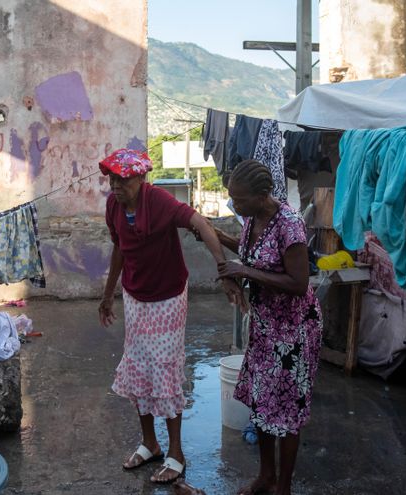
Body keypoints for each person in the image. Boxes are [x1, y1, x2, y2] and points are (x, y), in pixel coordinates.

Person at [97, 148, 243, 484]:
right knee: (138, 365)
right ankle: (150, 443)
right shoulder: (113, 206)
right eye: (111, 179)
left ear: (140, 178)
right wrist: (108, 295)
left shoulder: (159, 201)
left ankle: (176, 451)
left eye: (123, 179)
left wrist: (224, 271)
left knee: (165, 367)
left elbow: (202, 224)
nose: (116, 186)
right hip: (136, 295)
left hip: (168, 296)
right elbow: (119, 247)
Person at [214, 160, 323, 495]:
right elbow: (254, 254)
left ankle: (283, 486)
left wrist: (245, 273)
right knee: (261, 403)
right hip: (265, 328)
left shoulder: (289, 225)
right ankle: (266, 477)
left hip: (294, 332)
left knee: (287, 412)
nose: (236, 204)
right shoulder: (254, 219)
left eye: (241, 199)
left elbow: (298, 281)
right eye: (232, 197)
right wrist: (220, 238)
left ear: (263, 195)